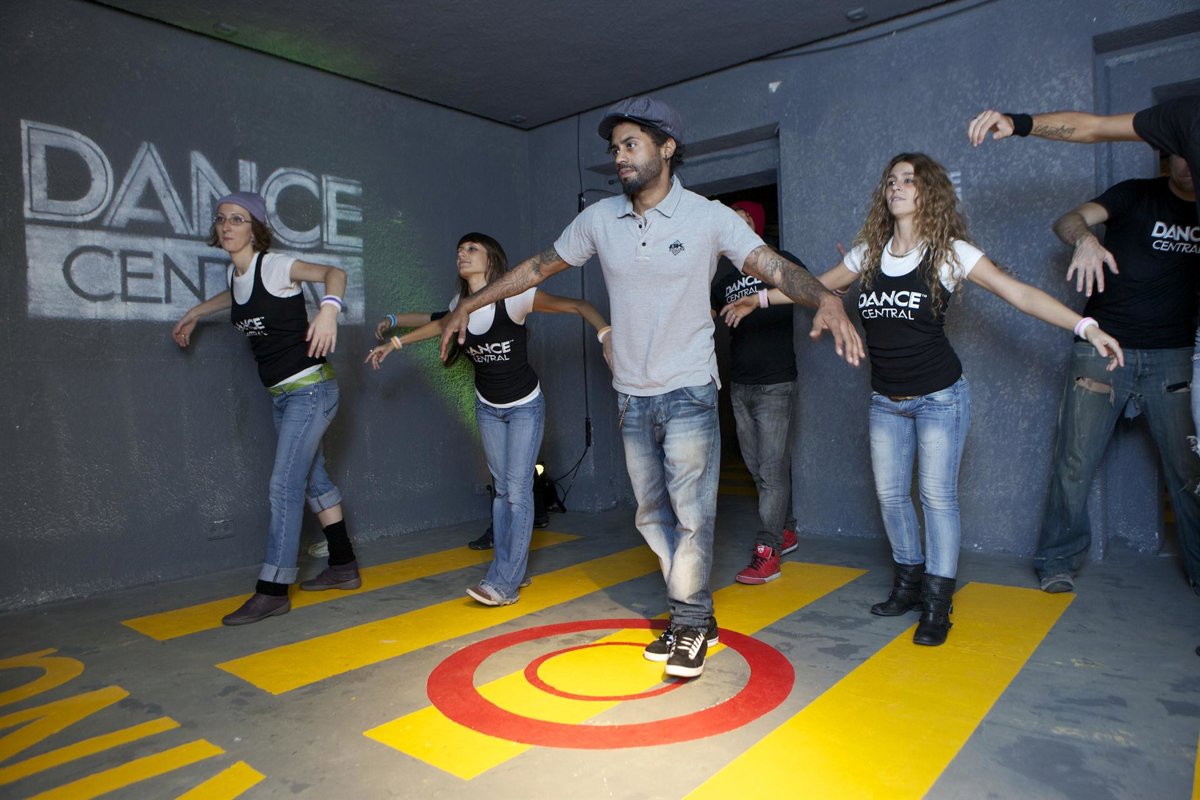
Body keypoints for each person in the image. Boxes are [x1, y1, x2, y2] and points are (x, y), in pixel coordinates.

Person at [439, 96, 863, 678]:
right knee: (649, 514)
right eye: (615, 147)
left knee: (692, 513)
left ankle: (689, 621)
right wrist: (470, 305)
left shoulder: (707, 216)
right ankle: (695, 616)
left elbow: (774, 267)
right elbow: (535, 268)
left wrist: (825, 298)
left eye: (631, 144)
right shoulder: (599, 220)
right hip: (631, 394)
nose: (620, 156)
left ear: (666, 148)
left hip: (688, 387)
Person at [724, 153, 1123, 646]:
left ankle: (937, 602)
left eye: (908, 181)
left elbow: (1018, 294)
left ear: (928, 192)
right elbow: (816, 287)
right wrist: (759, 298)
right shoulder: (868, 254)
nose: (896, 187)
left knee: (937, 499)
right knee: (892, 498)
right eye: (891, 180)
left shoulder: (950, 253)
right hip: (885, 401)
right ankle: (908, 584)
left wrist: (1086, 327)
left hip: (940, 399)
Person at [367, 233, 611, 607]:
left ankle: (504, 583)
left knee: (518, 490)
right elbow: (437, 323)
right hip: (488, 407)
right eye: (459, 250)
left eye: (471, 249)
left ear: (491, 258)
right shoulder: (459, 305)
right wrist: (394, 340)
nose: (462, 254)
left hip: (525, 406)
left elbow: (579, 305)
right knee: (501, 491)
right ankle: (513, 568)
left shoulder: (515, 297)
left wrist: (605, 333)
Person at [171, 192, 360, 626]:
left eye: (238, 219)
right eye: (221, 219)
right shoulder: (237, 274)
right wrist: (196, 312)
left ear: (255, 229)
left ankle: (273, 589)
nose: (227, 226)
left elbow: (334, 273)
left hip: (310, 391)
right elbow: (235, 296)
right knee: (313, 480)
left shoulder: (275, 265)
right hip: (284, 396)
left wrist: (328, 311)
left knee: (284, 486)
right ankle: (344, 565)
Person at [1033, 156, 1199, 593]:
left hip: (1175, 356)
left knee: (1190, 470)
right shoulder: (1136, 193)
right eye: (1179, 152)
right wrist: (1086, 239)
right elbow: (1067, 220)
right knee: (1074, 461)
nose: (1186, 162)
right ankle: (1056, 560)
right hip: (1103, 348)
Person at [710, 200, 800, 584]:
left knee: (772, 468)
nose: (736, 225)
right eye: (730, 221)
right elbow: (701, 318)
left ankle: (769, 549)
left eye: (743, 219)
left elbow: (807, 291)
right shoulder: (724, 279)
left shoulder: (780, 261)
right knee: (758, 469)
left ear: (756, 224)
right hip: (741, 384)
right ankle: (786, 528)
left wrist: (840, 283)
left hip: (776, 382)